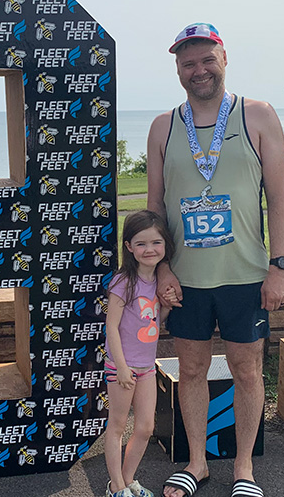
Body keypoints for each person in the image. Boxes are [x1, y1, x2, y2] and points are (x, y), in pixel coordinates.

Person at [147, 23, 284, 497]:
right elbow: (155, 207)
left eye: (207, 59)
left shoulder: (258, 115)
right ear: (178, 70)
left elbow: (280, 199)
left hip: (246, 275)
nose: (199, 70)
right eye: (188, 63)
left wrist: (280, 266)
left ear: (224, 58)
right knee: (189, 371)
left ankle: (244, 469)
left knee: (247, 370)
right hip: (186, 278)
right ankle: (196, 462)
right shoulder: (164, 126)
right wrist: (161, 268)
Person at [103, 210, 177, 497]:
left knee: (146, 427)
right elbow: (112, 327)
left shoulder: (158, 282)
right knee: (118, 426)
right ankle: (116, 487)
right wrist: (120, 366)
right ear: (129, 247)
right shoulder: (123, 282)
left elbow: (154, 321)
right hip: (122, 367)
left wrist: (167, 305)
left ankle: (128, 478)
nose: (150, 249)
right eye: (142, 243)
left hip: (147, 366)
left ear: (165, 246)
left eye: (156, 243)